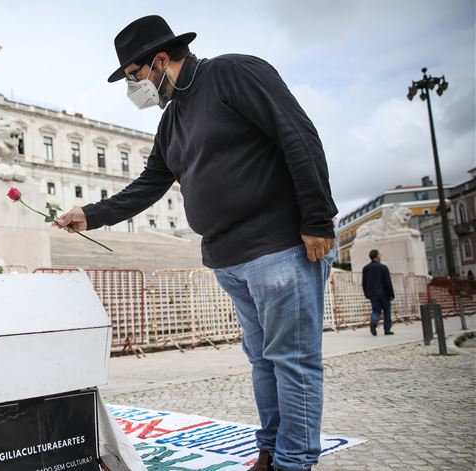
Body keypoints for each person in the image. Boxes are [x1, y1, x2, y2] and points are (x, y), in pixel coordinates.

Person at [55, 15, 337, 471]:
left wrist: (318, 220)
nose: (134, 89)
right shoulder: (172, 123)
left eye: (134, 76)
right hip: (231, 260)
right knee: (264, 362)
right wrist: (90, 214)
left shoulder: (233, 73)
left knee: (293, 361)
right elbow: (148, 186)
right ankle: (270, 451)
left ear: (160, 60)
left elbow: (297, 134)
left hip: (279, 246)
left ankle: (294, 461)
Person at [361, 249, 395, 336]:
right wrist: (391, 294)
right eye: (380, 255)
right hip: (384, 294)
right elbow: (387, 282)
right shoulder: (383, 267)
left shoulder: (366, 268)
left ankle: (373, 322)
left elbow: (364, 282)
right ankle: (387, 330)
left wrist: (366, 294)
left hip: (373, 294)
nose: (380, 256)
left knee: (376, 311)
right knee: (387, 312)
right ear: (377, 256)